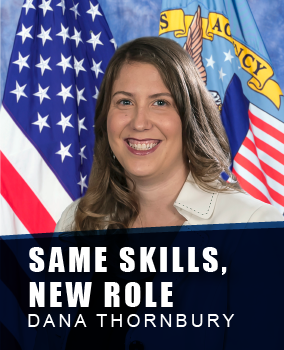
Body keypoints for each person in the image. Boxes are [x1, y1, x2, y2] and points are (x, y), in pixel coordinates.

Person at [55, 36, 283, 233]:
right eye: (125, 102)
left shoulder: (254, 224)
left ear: (190, 119)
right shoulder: (76, 221)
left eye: (160, 102)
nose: (139, 123)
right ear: (105, 117)